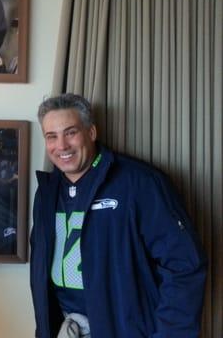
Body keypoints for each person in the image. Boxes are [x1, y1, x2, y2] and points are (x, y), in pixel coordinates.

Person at [30, 93, 207, 338]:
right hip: (65, 327)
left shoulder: (139, 183)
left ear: (91, 133)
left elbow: (184, 265)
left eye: (70, 132)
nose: (61, 146)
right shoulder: (47, 193)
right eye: (52, 136)